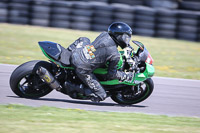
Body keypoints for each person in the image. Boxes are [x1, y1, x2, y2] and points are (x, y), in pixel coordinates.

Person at [65, 22, 134, 102]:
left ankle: (67, 52)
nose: (126, 40)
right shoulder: (115, 55)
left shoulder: (104, 34)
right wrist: (124, 75)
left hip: (77, 52)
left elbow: (102, 50)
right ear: (118, 36)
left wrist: (127, 46)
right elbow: (111, 75)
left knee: (84, 39)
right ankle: (71, 86)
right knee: (101, 95)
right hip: (82, 67)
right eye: (125, 37)